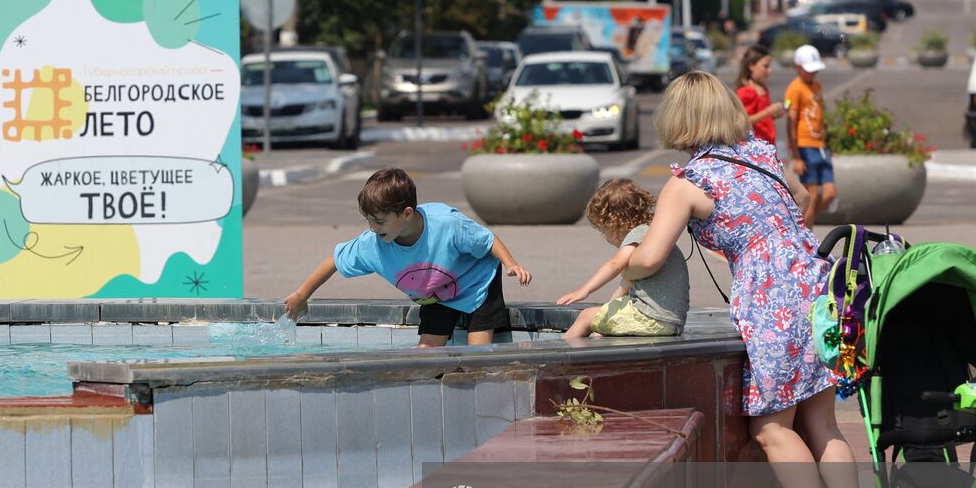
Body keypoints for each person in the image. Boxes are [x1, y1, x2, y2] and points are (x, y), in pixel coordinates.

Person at [623, 71, 857, 488]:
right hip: (819, 285)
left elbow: (650, 257)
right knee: (821, 422)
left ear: (678, 119)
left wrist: (621, 262)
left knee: (772, 428)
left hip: (773, 299)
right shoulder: (761, 152)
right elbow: (800, 203)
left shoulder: (689, 183)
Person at [284, 168, 532, 346]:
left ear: (407, 213)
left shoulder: (447, 224)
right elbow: (334, 261)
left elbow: (487, 240)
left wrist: (511, 264)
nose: (372, 227)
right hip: (436, 293)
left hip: (477, 281)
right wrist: (301, 295)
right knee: (426, 352)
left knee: (479, 353)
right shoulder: (374, 243)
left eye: (379, 221)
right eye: (368, 219)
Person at [557, 178, 688, 340]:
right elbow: (623, 289)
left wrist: (584, 290)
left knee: (585, 317)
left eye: (603, 230)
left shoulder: (638, 234)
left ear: (616, 223)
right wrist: (603, 318)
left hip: (651, 318)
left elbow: (615, 264)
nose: (605, 237)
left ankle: (557, 356)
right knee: (599, 319)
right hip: (671, 323)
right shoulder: (654, 238)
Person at [783, 44, 837, 227]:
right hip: (805, 145)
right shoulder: (794, 88)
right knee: (811, 196)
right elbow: (791, 122)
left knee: (830, 194)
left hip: (820, 146)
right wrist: (796, 156)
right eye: (808, 70)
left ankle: (802, 223)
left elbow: (820, 116)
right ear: (797, 68)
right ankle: (807, 239)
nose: (813, 74)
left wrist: (827, 143)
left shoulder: (817, 85)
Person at [733, 45, 784, 145]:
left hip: (767, 143)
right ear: (751, 66)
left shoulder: (762, 88)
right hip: (754, 147)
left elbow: (761, 118)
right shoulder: (746, 91)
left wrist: (774, 115)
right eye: (765, 66)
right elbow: (744, 121)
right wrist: (769, 110)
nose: (770, 70)